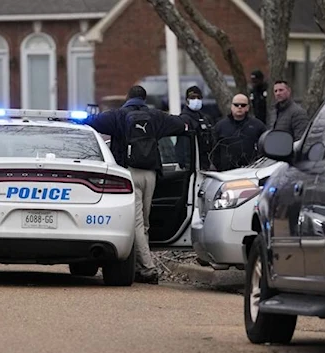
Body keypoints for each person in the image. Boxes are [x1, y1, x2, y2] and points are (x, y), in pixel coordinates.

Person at [84, 85, 187, 285]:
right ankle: (141, 266)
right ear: (144, 98)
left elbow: (91, 123)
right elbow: (180, 125)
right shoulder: (156, 116)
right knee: (144, 223)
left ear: (127, 97)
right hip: (151, 174)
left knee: (137, 223)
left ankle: (148, 269)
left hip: (128, 174)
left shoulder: (117, 116)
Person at [211, 94, 267, 171]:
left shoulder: (257, 125)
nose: (239, 107)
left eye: (243, 105)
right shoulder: (220, 126)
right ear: (231, 106)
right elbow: (213, 150)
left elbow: (265, 147)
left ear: (247, 107)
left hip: (252, 171)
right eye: (236, 105)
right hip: (226, 173)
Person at [175, 85, 214, 170]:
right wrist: (187, 165)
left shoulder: (204, 118)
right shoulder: (184, 119)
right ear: (187, 100)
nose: (196, 100)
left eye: (198, 98)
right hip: (192, 167)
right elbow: (184, 145)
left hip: (204, 164)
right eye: (193, 98)